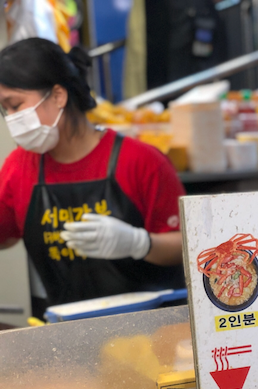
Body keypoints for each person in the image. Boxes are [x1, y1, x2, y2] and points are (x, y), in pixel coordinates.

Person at [0, 38, 185, 319]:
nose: (11, 118)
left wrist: (140, 243)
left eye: (15, 106)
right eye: (5, 110)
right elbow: (5, 236)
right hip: (67, 335)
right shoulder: (19, 167)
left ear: (58, 95)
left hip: (152, 332)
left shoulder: (140, 161)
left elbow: (189, 245)